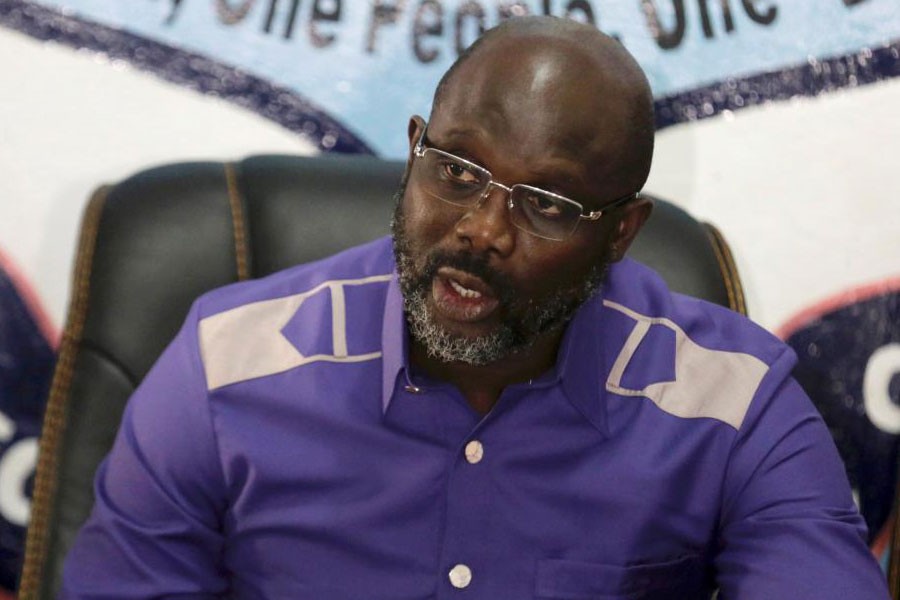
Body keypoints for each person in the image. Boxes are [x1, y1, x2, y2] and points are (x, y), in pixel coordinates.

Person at [61, 16, 888, 599]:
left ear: (621, 233)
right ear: (415, 147)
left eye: (547, 204)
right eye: (455, 169)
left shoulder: (731, 404)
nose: (481, 230)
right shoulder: (226, 367)